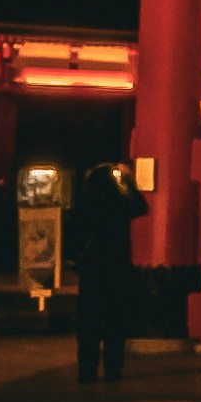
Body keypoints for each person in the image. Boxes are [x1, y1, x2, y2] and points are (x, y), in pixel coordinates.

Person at [66, 160, 141, 382]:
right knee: (115, 322)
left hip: (92, 270)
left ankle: (87, 370)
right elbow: (140, 206)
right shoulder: (120, 205)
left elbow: (73, 240)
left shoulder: (86, 205)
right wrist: (126, 180)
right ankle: (113, 368)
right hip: (118, 268)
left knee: (89, 323)